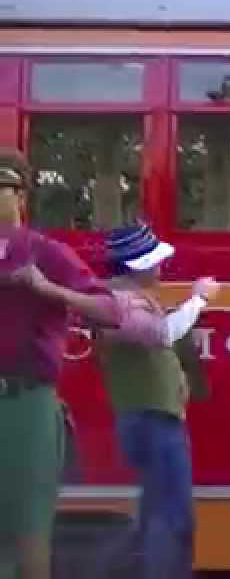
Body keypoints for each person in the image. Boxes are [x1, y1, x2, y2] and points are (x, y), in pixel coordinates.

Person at [0, 149, 121, 579]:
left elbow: (110, 311)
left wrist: (48, 290)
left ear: (21, 196)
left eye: (4, 189)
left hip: (24, 399)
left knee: (28, 529)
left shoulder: (42, 252)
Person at [93, 223, 219, 579]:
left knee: (156, 513)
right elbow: (164, 334)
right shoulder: (118, 303)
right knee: (172, 517)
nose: (161, 268)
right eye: (155, 262)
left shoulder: (125, 297)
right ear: (138, 265)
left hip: (151, 417)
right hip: (152, 419)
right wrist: (200, 297)